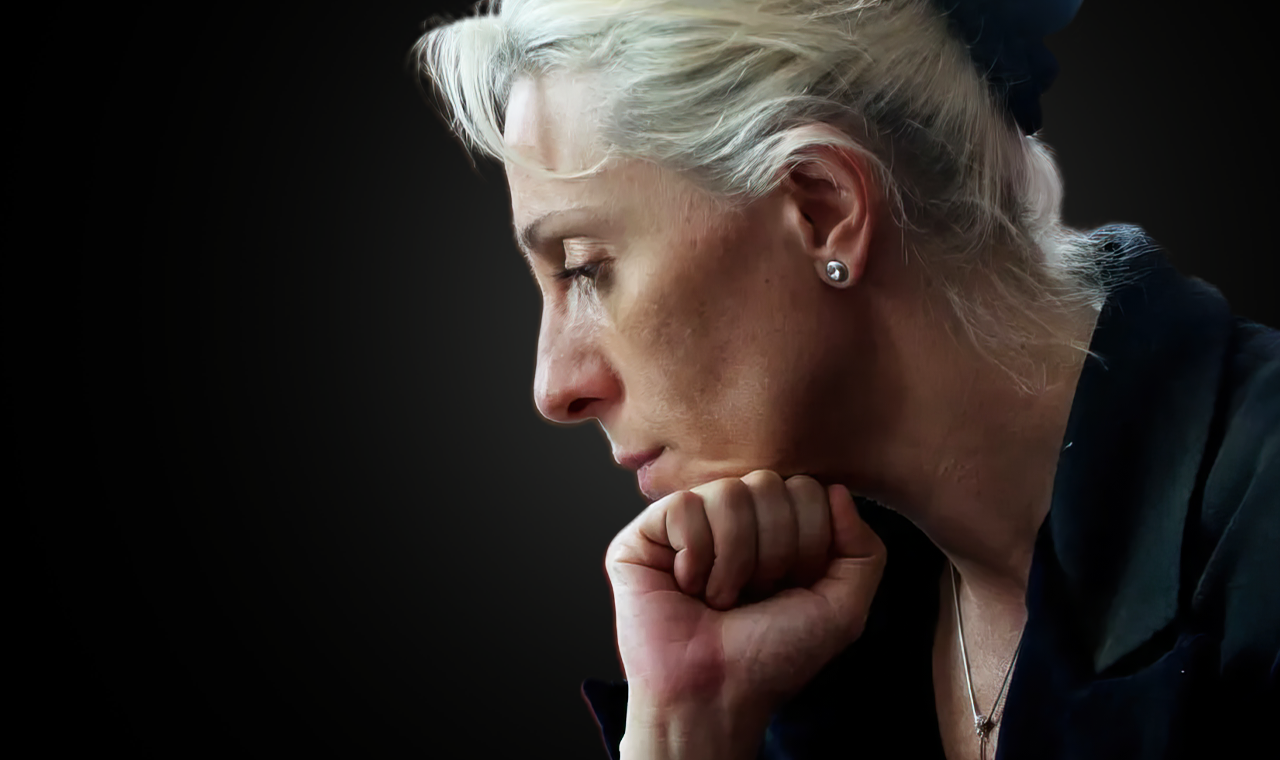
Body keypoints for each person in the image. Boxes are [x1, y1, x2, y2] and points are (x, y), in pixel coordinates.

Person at [411, 0, 1278, 757]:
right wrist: (687, 727)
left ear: (823, 209)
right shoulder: (825, 643)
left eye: (585, 267)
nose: (555, 386)